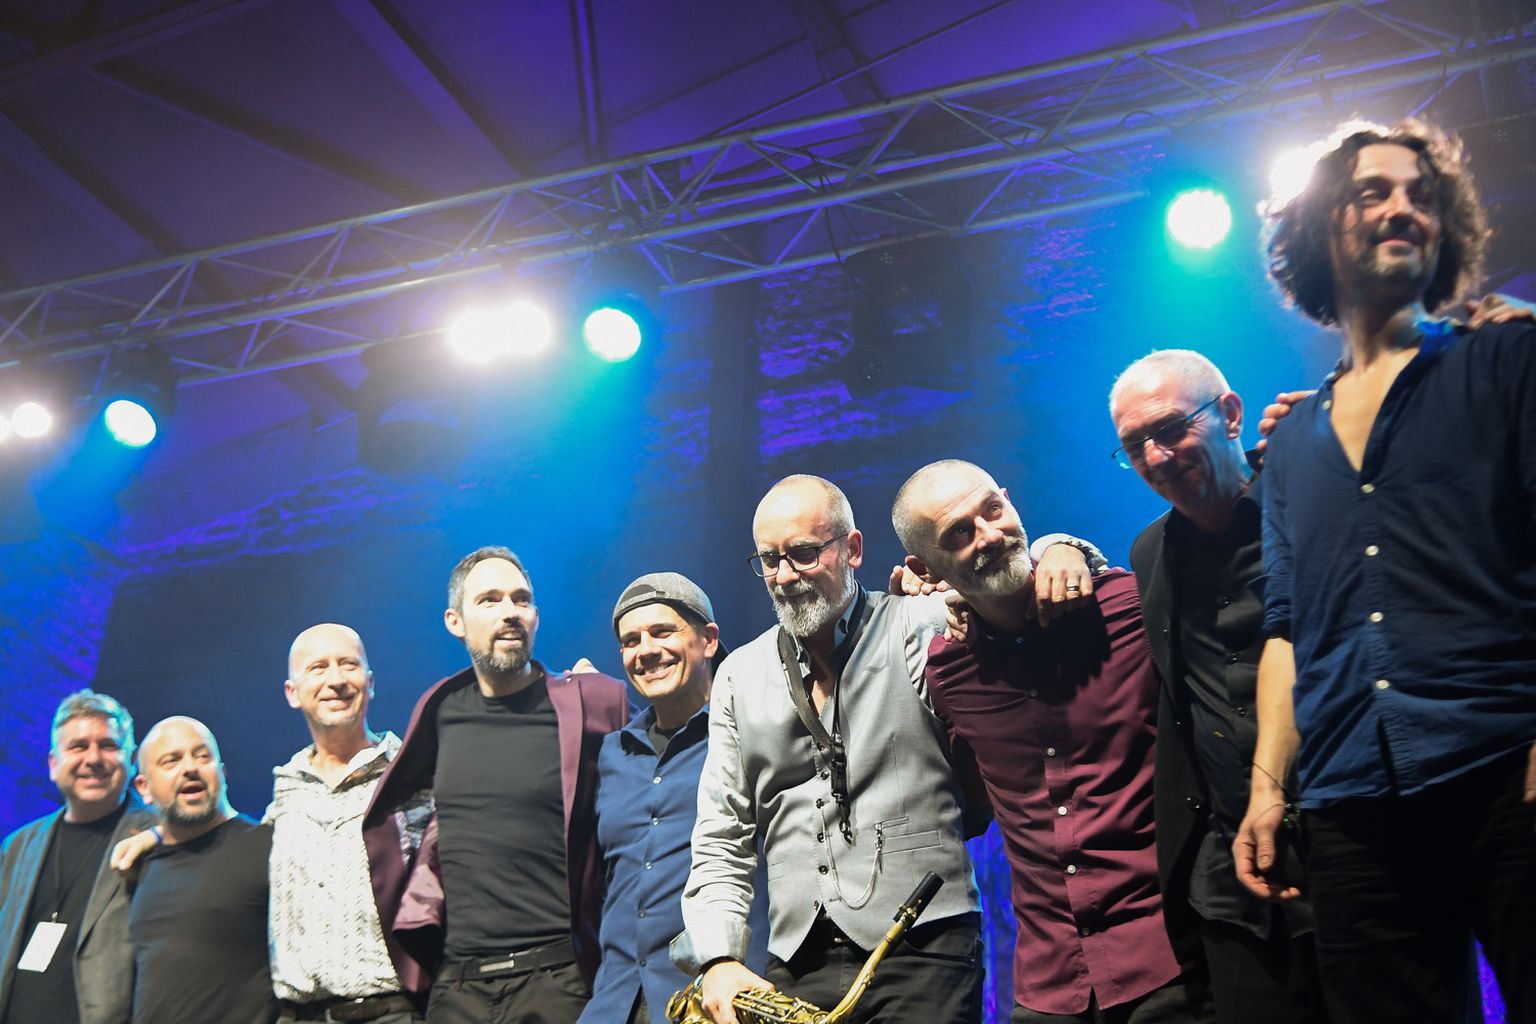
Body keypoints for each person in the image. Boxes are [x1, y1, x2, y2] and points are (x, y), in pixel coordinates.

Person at [1235, 117, 1536, 1024]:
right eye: (1373, 191)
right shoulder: (1290, 445)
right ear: (1320, 226)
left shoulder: (1504, 362)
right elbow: (1286, 628)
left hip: (1506, 767)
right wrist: (1267, 788)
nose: (1403, 208)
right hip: (1351, 802)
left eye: (1422, 195)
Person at [893, 459, 1210, 1024]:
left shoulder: (1127, 608)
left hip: (1170, 957)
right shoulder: (949, 672)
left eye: (993, 510)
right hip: (1051, 982)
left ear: (1010, 501)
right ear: (924, 567)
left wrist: (1068, 547)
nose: (989, 535)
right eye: (959, 533)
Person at [675, 474, 987, 1024]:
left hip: (928, 947)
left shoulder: (921, 623)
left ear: (853, 549)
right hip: (795, 964)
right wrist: (719, 957)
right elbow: (723, 833)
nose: (784, 576)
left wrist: (1065, 550)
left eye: (802, 553)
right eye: (769, 560)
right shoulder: (738, 676)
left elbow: (1013, 596)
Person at [1108, 350, 1324, 1024]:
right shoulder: (1149, 554)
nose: (1156, 456)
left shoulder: (1310, 500)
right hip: (1233, 880)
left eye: (1171, 429)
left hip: (1355, 849)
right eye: (1135, 445)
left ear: (1230, 414)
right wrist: (1059, 544)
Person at [362, 547, 626, 1023]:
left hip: (558, 981)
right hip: (458, 989)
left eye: (521, 600)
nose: (510, 612)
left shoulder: (589, 703)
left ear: (536, 616)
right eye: (489, 600)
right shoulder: (440, 709)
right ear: (455, 621)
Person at [579, 573, 767, 1024]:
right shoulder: (613, 753)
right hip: (614, 1003)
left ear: (708, 640)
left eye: (663, 632)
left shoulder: (752, 731)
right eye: (631, 641)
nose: (645, 650)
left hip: (714, 1001)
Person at [271, 624, 422, 1024]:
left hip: (394, 1011)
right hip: (301, 1015)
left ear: (370, 683)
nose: (336, 679)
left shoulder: (411, 775)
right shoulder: (286, 789)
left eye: (348, 665)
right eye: (318, 668)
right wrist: (153, 835)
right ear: (292, 692)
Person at [0, 691, 155, 1024]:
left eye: (109, 745)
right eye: (78, 746)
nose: (93, 758)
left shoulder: (158, 837)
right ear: (54, 765)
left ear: (131, 761)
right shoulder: (18, 847)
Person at [128, 716, 274, 1024]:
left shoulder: (268, 847)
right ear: (144, 787)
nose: (190, 768)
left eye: (202, 756)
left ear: (222, 772)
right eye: (171, 761)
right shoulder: (139, 864)